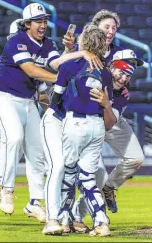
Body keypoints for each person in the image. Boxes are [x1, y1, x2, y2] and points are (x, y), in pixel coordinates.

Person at [0, 3, 102, 225]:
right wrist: (63, 78)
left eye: (44, 20)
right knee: (13, 143)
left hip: (27, 102)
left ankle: (33, 201)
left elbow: (56, 66)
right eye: (37, 21)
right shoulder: (16, 42)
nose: (42, 24)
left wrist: (75, 52)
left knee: (38, 154)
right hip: (4, 100)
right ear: (26, 25)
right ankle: (5, 190)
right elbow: (31, 70)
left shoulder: (47, 43)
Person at [51, 25, 114, 237]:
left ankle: (65, 219)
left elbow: (56, 96)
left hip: (75, 122)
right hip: (97, 126)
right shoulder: (105, 73)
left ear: (83, 43)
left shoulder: (70, 65)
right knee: (88, 177)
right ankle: (101, 221)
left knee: (68, 173)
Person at [71, 49, 145, 226]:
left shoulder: (123, 93)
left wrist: (106, 104)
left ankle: (109, 188)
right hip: (87, 123)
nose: (125, 77)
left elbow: (110, 122)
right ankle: (74, 215)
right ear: (112, 65)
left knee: (136, 158)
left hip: (109, 120)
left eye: (130, 73)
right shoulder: (97, 75)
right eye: (123, 70)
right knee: (95, 176)